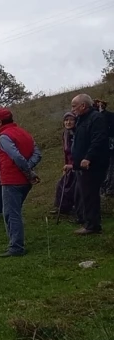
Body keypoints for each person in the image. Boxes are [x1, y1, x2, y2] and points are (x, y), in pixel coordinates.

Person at [0, 107, 42, 257]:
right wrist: (29, 169)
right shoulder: (24, 133)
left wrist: (27, 170)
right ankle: (16, 244)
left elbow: (17, 157)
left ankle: (16, 247)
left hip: (11, 180)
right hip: (25, 181)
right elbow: (38, 153)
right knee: (14, 212)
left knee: (11, 214)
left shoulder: (4, 136)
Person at [70, 94, 110, 235]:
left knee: (90, 194)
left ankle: (92, 226)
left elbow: (98, 140)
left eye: (74, 106)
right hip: (81, 164)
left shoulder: (96, 118)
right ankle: (88, 222)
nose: (72, 109)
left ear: (83, 105)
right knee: (85, 194)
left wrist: (88, 158)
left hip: (93, 164)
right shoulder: (81, 119)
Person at [50, 112, 77, 216]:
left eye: (71, 120)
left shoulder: (77, 133)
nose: (68, 122)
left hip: (77, 164)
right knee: (61, 185)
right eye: (66, 120)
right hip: (69, 164)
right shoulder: (65, 134)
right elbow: (66, 152)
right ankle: (62, 208)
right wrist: (66, 166)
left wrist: (73, 165)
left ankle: (75, 209)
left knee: (74, 187)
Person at [94, 99, 114, 196]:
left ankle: (109, 189)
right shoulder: (93, 118)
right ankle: (103, 189)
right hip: (99, 148)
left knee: (110, 168)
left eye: (100, 105)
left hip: (109, 147)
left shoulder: (109, 115)